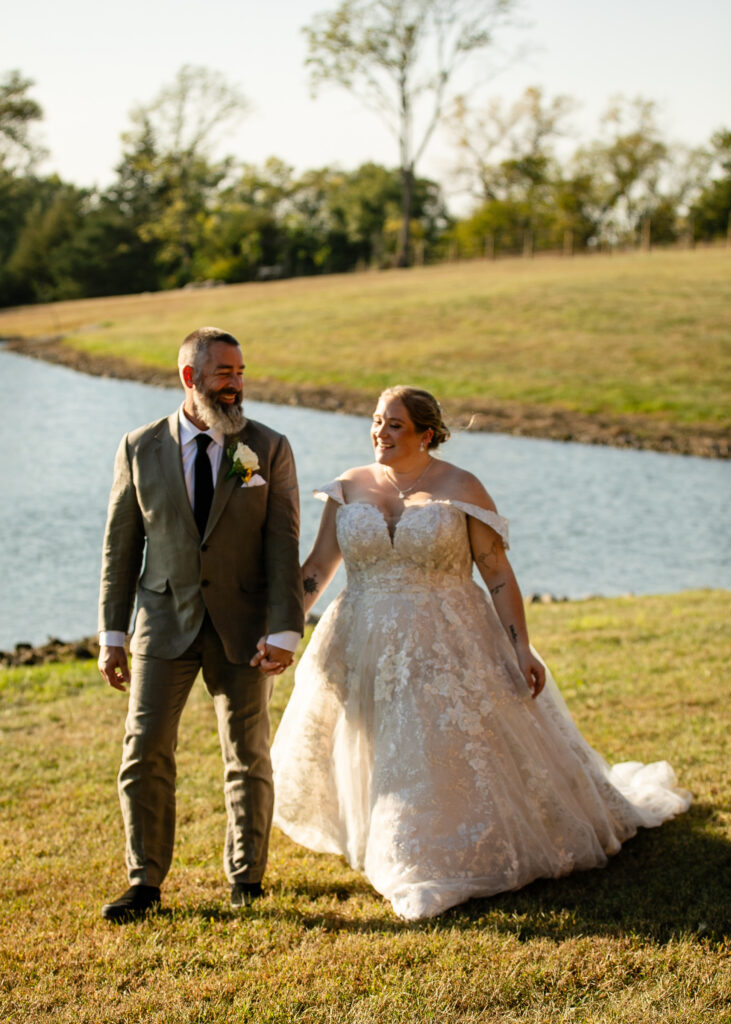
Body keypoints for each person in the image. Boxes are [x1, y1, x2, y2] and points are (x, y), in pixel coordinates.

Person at [271, 385, 691, 921]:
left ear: (427, 434)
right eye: (377, 420)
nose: (380, 432)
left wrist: (520, 649)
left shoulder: (462, 488)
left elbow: (496, 575)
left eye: (394, 424)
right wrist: (283, 628)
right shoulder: (348, 486)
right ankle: (386, 840)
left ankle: (426, 861)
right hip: (361, 637)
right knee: (384, 746)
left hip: (449, 638)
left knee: (436, 747)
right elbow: (318, 569)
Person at [98, 326, 304, 922]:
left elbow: (281, 543)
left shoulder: (265, 447)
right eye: (224, 373)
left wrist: (284, 628)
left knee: (247, 753)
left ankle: (247, 879)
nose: (236, 384)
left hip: (244, 627)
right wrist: (113, 634)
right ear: (190, 377)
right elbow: (120, 548)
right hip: (161, 625)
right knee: (144, 752)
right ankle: (144, 884)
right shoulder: (139, 447)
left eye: (240, 372)